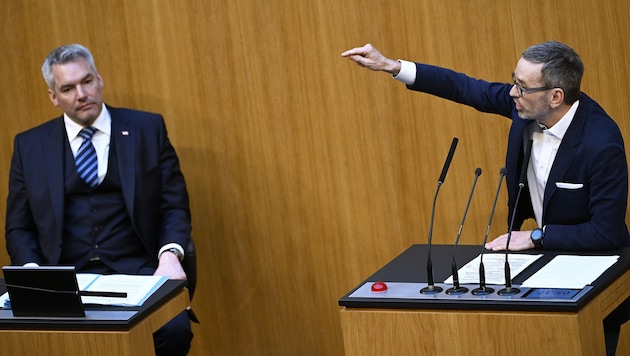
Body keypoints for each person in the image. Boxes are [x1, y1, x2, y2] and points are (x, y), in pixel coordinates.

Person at [342, 41, 630, 355]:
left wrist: (536, 236)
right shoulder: (527, 106)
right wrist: (392, 66)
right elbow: (467, 88)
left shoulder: (601, 143)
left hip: (591, 272)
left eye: (521, 87)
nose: (512, 93)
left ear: (555, 96)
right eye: (513, 81)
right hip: (538, 269)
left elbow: (607, 231)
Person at [5, 44, 193, 355]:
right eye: (68, 88)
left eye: (87, 81)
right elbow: (19, 227)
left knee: (172, 330)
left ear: (99, 79)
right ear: (54, 96)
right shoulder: (30, 146)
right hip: (66, 279)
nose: (81, 94)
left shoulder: (148, 129)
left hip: (140, 271)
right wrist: (33, 275)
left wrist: (170, 255)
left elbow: (173, 205)